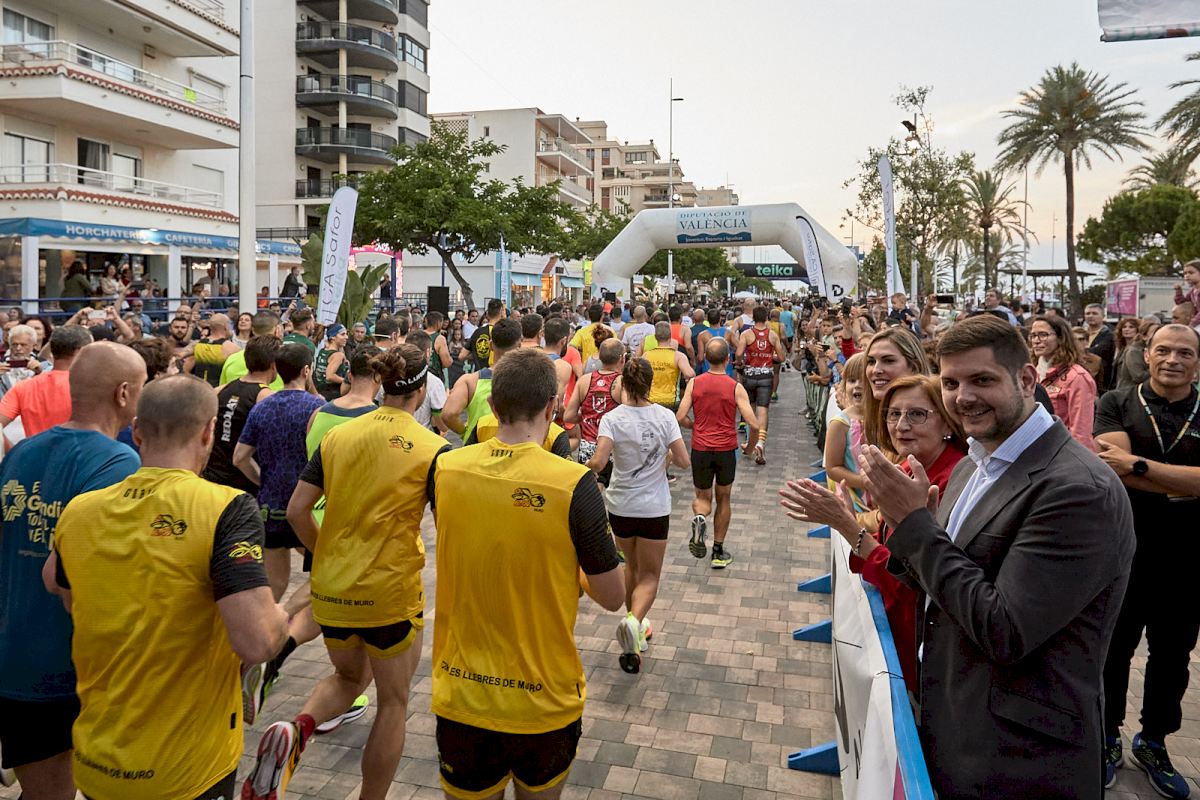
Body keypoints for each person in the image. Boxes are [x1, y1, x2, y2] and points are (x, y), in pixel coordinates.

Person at [852, 313, 1134, 799]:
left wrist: (915, 526)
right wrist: (906, 531)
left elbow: (1004, 630)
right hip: (956, 723)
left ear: (1025, 379)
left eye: (982, 380)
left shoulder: (1078, 489)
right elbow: (943, 584)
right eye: (951, 383)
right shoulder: (976, 462)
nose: (963, 397)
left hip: (1019, 759)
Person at [47, 375, 289, 800]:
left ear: (137, 431)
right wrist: (282, 619)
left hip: (96, 759)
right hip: (187, 768)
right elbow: (257, 642)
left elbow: (60, 588)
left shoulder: (80, 510)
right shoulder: (227, 508)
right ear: (209, 432)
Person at [245, 346, 447, 800]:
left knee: (349, 679)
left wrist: (327, 556)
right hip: (390, 595)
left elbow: (298, 510)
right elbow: (448, 528)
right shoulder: (433, 449)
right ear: (420, 390)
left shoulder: (338, 436)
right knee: (393, 704)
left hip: (333, 590)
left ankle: (298, 729)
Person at [431, 348, 624, 800]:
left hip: (461, 694)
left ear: (492, 405)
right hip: (543, 698)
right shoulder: (573, 483)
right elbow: (613, 595)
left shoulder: (446, 469)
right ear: (552, 407)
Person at [0, 343, 144, 800]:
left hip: (13, 647)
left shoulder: (23, 451)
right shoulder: (118, 462)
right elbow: (96, 572)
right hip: (61, 661)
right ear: (124, 393)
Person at [781, 374, 967, 691]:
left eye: (917, 414)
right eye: (893, 414)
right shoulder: (907, 468)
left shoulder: (951, 481)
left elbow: (912, 583)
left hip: (922, 655)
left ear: (947, 423)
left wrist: (848, 526)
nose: (901, 425)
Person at [1095, 324, 1200, 798]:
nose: (1173, 359)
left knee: (1173, 657)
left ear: (1197, 362)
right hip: (1125, 551)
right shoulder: (1117, 402)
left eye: (1185, 352)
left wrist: (1139, 466)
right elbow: (1112, 468)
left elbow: (1128, 466)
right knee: (1113, 650)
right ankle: (1106, 736)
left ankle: (1154, 741)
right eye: (1164, 350)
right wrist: (1183, 482)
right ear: (1148, 354)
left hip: (1189, 559)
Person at [588, 357, 688, 674]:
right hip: (654, 507)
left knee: (631, 566)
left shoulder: (612, 418)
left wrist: (580, 467)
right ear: (650, 384)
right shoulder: (665, 416)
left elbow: (599, 461)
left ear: (624, 385)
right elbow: (684, 461)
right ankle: (634, 620)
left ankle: (636, 630)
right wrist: (666, 456)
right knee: (650, 576)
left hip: (620, 505)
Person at [234, 344, 325, 602]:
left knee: (275, 583)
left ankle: (265, 622)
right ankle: (289, 619)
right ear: (306, 370)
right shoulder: (316, 407)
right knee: (324, 573)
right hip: (306, 507)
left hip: (270, 508)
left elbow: (239, 458)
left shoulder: (262, 407)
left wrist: (263, 481)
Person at [676, 338, 758, 569]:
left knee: (703, 498)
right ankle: (718, 551)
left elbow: (680, 416)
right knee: (724, 498)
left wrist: (694, 426)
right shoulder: (735, 387)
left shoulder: (694, 383)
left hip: (700, 449)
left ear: (706, 359)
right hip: (725, 450)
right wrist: (750, 447)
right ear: (728, 359)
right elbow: (754, 424)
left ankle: (700, 518)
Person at [203, 335, 278, 497]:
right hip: (243, 487)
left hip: (213, 481)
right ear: (274, 365)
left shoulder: (219, 390)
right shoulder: (267, 398)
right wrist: (265, 484)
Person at [0, 326, 93, 441]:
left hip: (36, 451)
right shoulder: (92, 387)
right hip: (83, 452)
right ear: (80, 351)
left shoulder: (23, 387)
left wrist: (15, 449)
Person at [442, 319, 521, 439]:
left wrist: (465, 432)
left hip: (477, 445)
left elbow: (448, 414)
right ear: (519, 346)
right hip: (515, 446)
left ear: (490, 345)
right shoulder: (529, 380)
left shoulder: (469, 381)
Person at [1030, 314, 1097, 451]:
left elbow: (1081, 432)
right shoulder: (1032, 373)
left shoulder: (1077, 377)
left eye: (1043, 335)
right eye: (1033, 335)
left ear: (1061, 338)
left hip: (1061, 452)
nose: (1036, 341)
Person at [564, 338, 624, 485]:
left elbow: (568, 416)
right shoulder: (622, 383)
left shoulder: (584, 380)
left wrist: (586, 416)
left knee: (592, 491)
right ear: (622, 358)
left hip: (588, 447)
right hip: (612, 448)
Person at [860, 327, 930, 449]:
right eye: (871, 362)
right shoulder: (871, 419)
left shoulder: (932, 417)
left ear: (914, 367)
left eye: (888, 361)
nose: (876, 370)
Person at [736, 306, 787, 465]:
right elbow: (782, 357)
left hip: (749, 375)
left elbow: (738, 353)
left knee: (750, 410)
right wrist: (770, 357)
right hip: (766, 376)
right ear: (766, 319)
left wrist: (741, 363)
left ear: (753, 318)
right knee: (763, 410)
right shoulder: (772, 335)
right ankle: (760, 442)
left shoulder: (746, 334)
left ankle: (749, 443)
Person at [822, 353, 868, 512]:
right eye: (852, 380)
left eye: (864, 380)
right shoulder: (840, 423)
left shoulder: (885, 418)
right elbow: (833, 468)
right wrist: (863, 482)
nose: (857, 385)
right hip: (856, 503)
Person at [220, 311, 285, 390]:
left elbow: (222, 391)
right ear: (278, 329)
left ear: (252, 330)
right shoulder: (286, 360)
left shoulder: (232, 360)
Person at [644, 321, 695, 410]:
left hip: (650, 400)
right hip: (671, 401)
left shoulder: (646, 355)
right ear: (670, 336)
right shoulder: (678, 356)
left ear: (655, 337)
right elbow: (690, 374)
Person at [405, 330, 448, 434]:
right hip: (422, 436)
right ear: (428, 352)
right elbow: (441, 424)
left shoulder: (389, 375)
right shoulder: (434, 382)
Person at [191, 313, 239, 387]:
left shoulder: (197, 345)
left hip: (200, 388)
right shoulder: (232, 348)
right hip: (220, 389)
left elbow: (185, 367)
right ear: (225, 327)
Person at [1113, 318, 1155, 391]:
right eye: (1124, 327)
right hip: (1124, 390)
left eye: (1131, 327)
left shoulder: (1138, 349)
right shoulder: (1124, 348)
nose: (1127, 329)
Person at [462, 299, 503, 372]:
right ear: (501, 311)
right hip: (498, 374)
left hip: (480, 374)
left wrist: (476, 355)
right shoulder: (504, 331)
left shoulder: (477, 332)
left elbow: (462, 356)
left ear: (487, 314)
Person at [314, 323, 350, 401]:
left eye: (346, 334)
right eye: (342, 334)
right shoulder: (337, 355)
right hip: (332, 394)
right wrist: (347, 381)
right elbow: (330, 376)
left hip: (319, 391)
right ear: (333, 337)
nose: (346, 337)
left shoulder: (323, 350)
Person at [1084, 302, 1115, 389]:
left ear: (1103, 316)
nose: (1090, 316)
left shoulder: (1109, 335)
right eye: (1087, 313)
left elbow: (1098, 351)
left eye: (1095, 313)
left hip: (1101, 380)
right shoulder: (1080, 333)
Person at [568, 303, 607, 367]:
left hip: (587, 366)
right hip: (604, 367)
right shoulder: (609, 331)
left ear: (589, 315)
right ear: (602, 315)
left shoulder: (582, 331)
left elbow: (571, 346)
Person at [1173, 259, 1200, 329]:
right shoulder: (1193, 291)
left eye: (1191, 273)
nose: (1187, 275)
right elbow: (1182, 304)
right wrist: (1178, 291)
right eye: (1185, 273)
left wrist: (1192, 324)